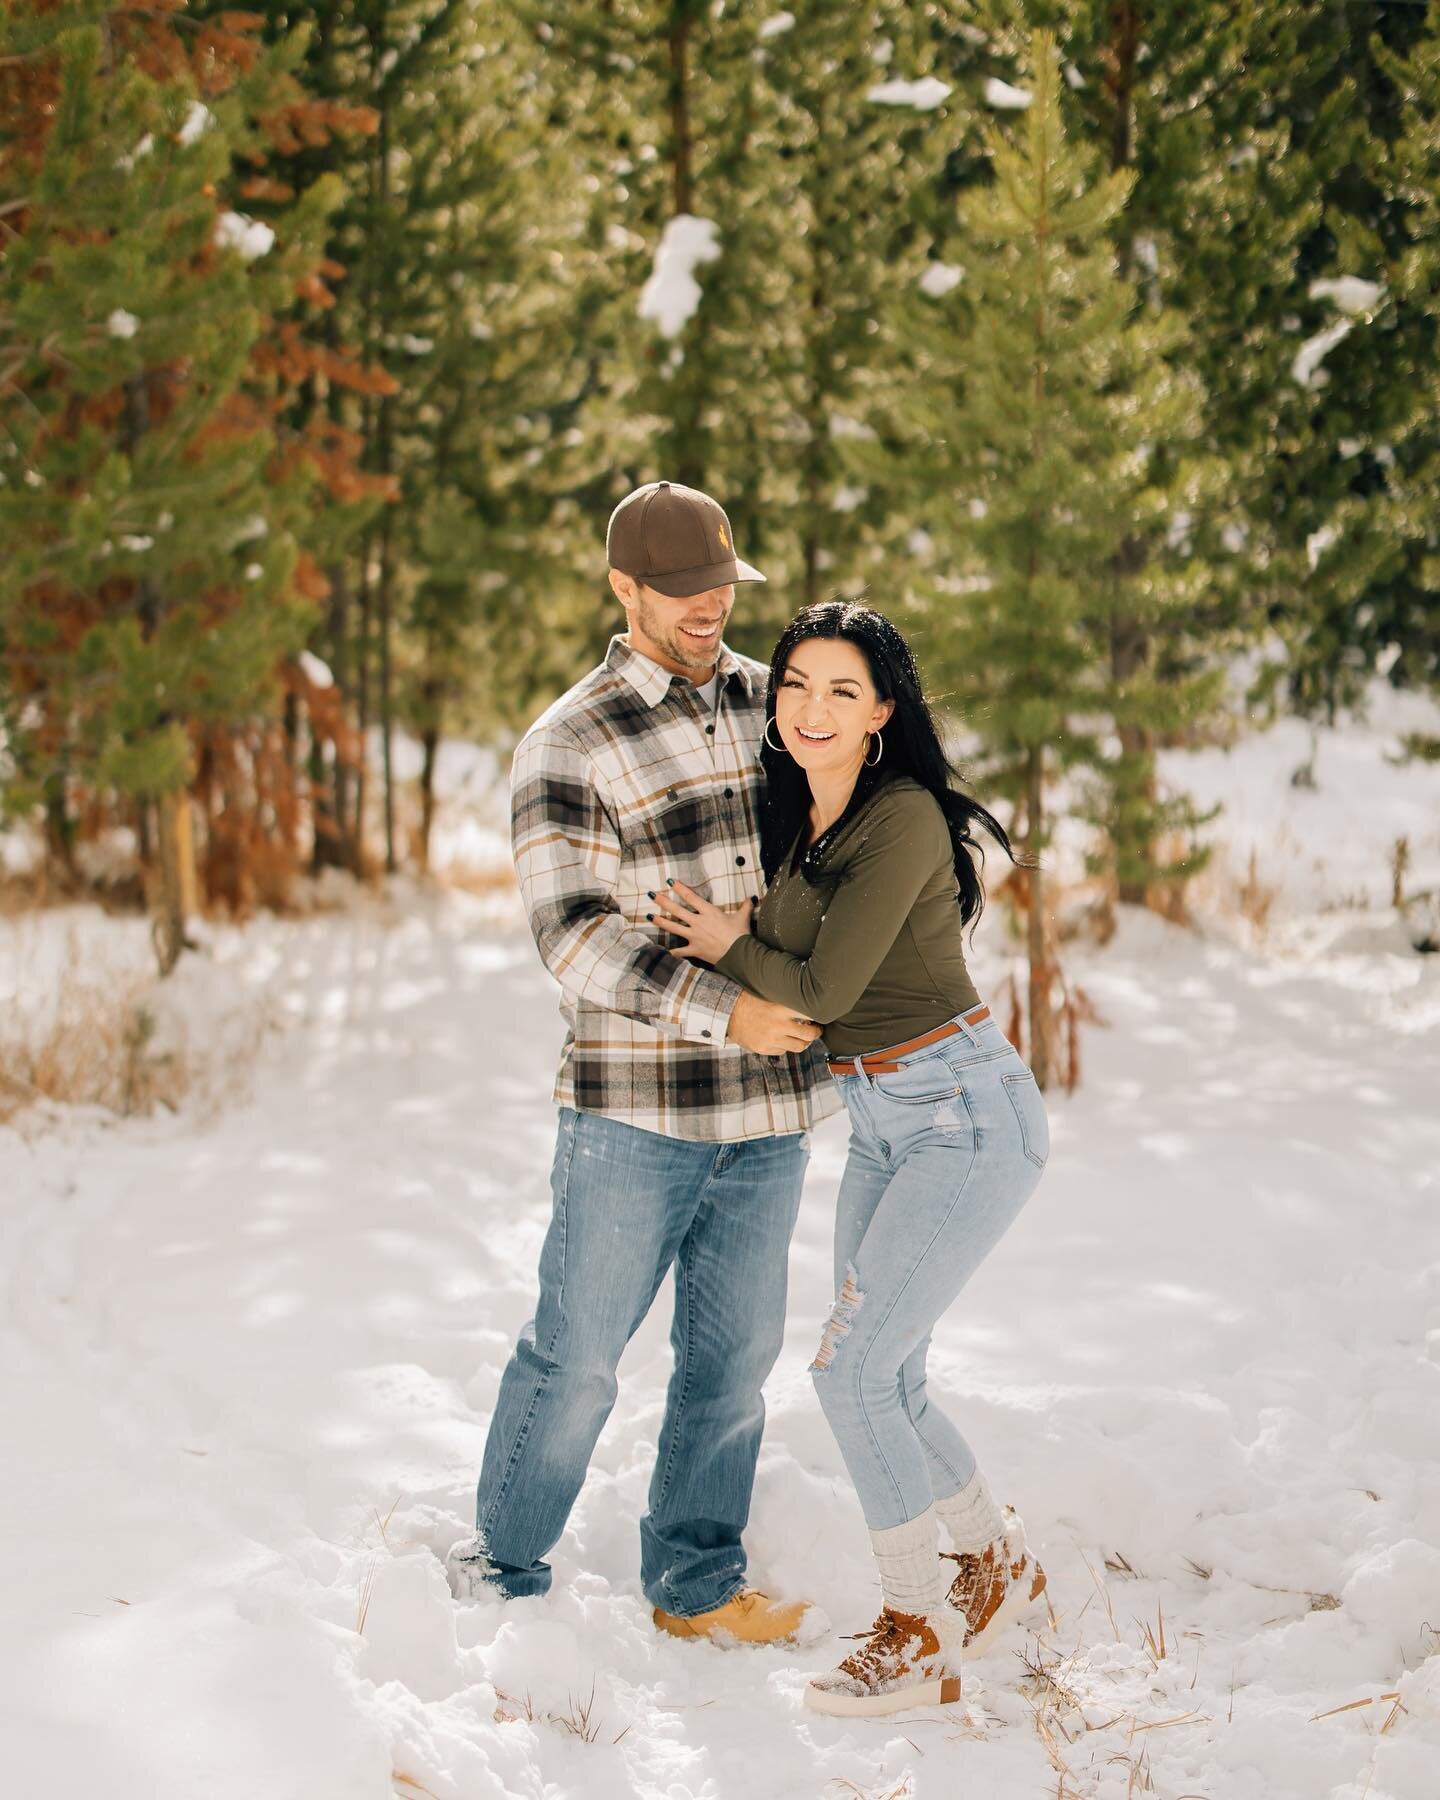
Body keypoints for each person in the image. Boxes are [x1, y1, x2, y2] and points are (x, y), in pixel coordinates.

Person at [447, 481, 839, 1646]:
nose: (708, 604)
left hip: (767, 1114)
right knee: (576, 1360)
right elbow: (574, 939)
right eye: (680, 589)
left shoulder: (780, 707)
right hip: (635, 1114)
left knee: (732, 1366)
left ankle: (696, 1586)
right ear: (624, 588)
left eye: (722, 581)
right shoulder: (568, 741)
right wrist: (733, 1010)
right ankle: (502, 1571)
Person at [651, 600, 1050, 1716]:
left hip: (961, 1114)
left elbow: (820, 989)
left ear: (882, 712)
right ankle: (994, 1561)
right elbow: (801, 959)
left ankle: (918, 1628)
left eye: (841, 690)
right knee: (889, 1371)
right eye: (793, 687)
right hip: (882, 1116)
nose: (811, 709)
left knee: (851, 1371)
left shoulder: (904, 817)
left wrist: (734, 943)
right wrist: (749, 942)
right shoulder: (808, 826)